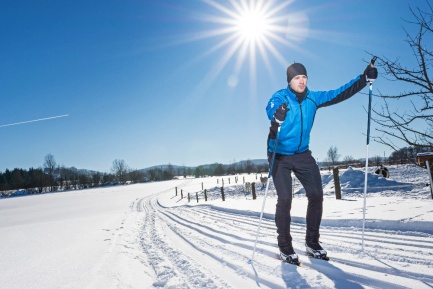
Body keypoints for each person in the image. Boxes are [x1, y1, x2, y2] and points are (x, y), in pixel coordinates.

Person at [266, 60, 378, 264]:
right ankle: (285, 246)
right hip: (279, 154)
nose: (301, 81)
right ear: (289, 81)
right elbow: (271, 110)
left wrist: (363, 79)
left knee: (316, 194)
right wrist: (277, 116)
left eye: (304, 77)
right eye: (297, 78)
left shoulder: (313, 98)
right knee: (285, 199)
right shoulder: (280, 97)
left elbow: (339, 93)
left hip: (302, 154)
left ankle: (312, 242)